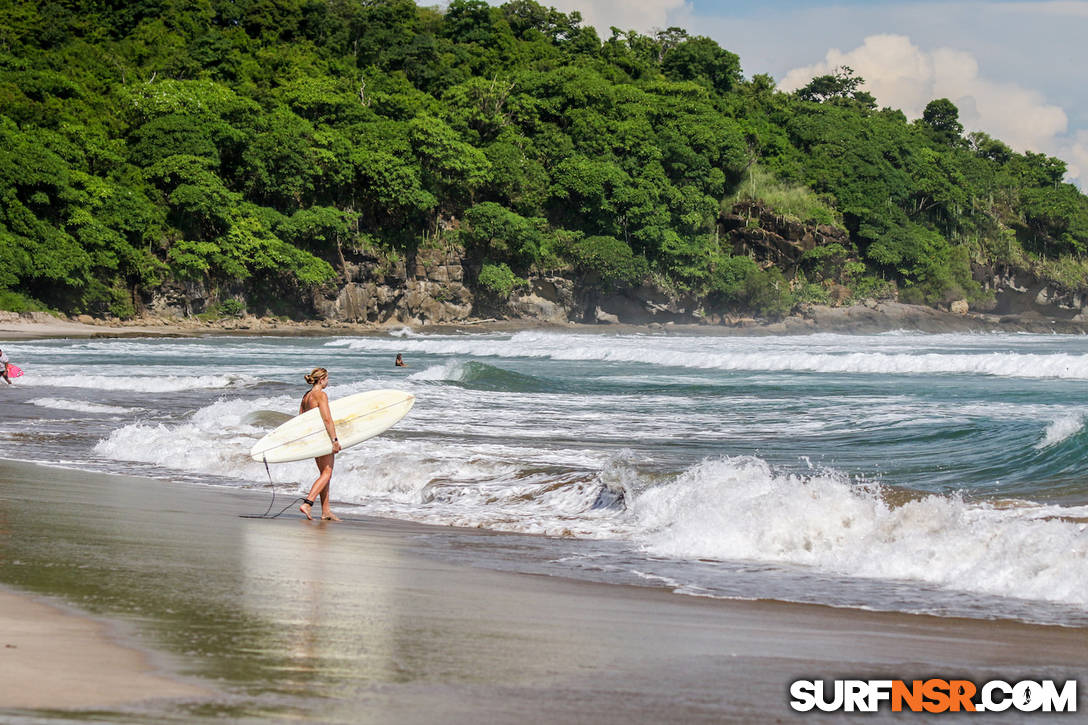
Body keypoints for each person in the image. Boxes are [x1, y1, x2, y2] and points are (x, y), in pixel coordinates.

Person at [298, 367, 342, 521]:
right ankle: (308, 503)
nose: (328, 381)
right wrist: (334, 440)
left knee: (324, 474)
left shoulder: (306, 396)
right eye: (327, 378)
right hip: (322, 438)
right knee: (327, 473)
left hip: (313, 439)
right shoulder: (321, 395)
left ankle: (325, 511)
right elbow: (327, 419)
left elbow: (300, 419)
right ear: (322, 379)